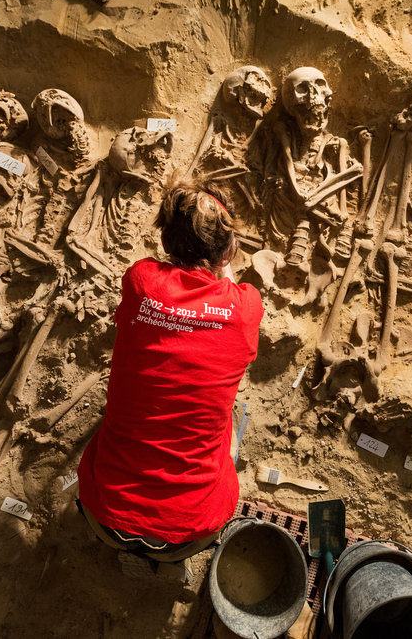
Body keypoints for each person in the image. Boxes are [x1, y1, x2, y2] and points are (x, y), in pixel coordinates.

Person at [76, 181, 263, 567]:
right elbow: (225, 291)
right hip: (192, 530)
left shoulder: (141, 280)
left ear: (165, 242)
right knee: (232, 419)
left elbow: (169, 282)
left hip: (105, 512)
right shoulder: (245, 307)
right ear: (228, 250)